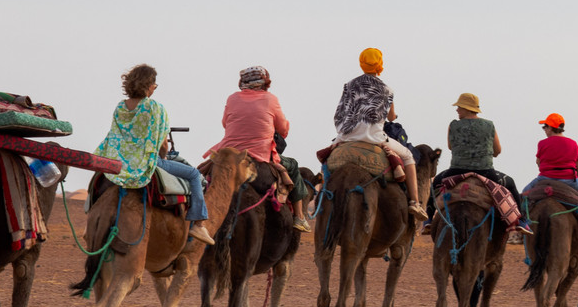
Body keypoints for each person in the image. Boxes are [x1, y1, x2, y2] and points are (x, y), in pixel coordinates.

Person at [95, 64, 216, 246]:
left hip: (118, 162)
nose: (154, 88)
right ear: (147, 84)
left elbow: (114, 136)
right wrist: (164, 156)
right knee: (194, 175)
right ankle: (198, 224)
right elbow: (162, 143)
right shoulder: (154, 108)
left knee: (96, 182)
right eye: (154, 85)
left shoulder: (120, 107)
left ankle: (92, 217)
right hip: (146, 162)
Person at [204, 66, 310, 233]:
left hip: (230, 153)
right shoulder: (270, 99)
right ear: (265, 83)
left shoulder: (232, 99)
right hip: (261, 155)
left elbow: (225, 123)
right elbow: (283, 130)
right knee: (294, 166)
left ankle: (196, 218)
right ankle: (299, 217)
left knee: (202, 176)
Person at [332, 48, 427, 220]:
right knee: (408, 158)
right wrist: (392, 115)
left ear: (361, 63)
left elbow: (339, 113)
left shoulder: (349, 85)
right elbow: (390, 117)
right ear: (380, 65)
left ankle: (325, 197)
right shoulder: (387, 90)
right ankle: (415, 202)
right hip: (375, 138)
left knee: (328, 160)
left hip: (346, 136)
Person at [422, 92, 531, 236]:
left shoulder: (453, 125)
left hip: (456, 171)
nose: (457, 110)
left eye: (459, 107)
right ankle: (522, 220)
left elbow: (450, 146)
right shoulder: (489, 125)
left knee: (435, 182)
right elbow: (497, 151)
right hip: (485, 171)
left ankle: (429, 219)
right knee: (510, 183)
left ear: (466, 108)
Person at [521, 113, 578, 256]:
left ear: (551, 128)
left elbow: (539, 164)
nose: (544, 130)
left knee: (523, 196)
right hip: (569, 181)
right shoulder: (573, 144)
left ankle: (519, 230)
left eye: (545, 127)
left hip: (544, 179)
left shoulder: (542, 143)